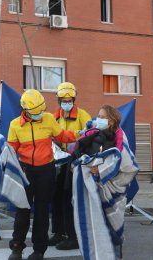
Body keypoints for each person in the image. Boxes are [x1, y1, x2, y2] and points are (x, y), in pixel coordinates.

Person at [7, 89, 79, 260]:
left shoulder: (48, 118)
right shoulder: (15, 125)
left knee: (41, 212)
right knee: (23, 211)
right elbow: (10, 150)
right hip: (26, 172)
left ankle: (39, 250)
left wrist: (81, 134)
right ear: (25, 110)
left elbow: (62, 135)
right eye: (36, 112)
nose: (40, 114)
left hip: (46, 171)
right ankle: (17, 247)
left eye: (41, 110)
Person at [71, 104, 138, 260]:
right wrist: (87, 165)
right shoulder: (91, 134)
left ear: (112, 120)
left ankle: (113, 256)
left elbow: (128, 164)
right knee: (95, 226)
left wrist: (102, 170)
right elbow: (79, 154)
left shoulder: (120, 136)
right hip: (93, 189)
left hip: (112, 190)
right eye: (98, 116)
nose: (98, 119)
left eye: (102, 117)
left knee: (113, 228)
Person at [49, 82, 91, 250]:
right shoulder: (54, 117)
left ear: (73, 99)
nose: (67, 102)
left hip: (74, 163)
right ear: (59, 100)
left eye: (69, 99)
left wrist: (78, 145)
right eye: (63, 99)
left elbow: (91, 135)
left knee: (69, 199)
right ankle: (58, 233)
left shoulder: (82, 115)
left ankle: (72, 236)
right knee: (56, 198)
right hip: (58, 162)